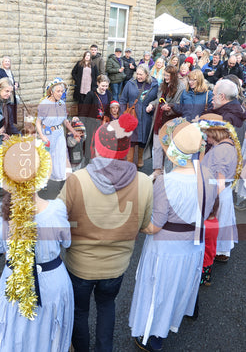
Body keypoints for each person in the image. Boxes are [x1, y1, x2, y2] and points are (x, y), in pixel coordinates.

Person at [59, 114, 153, 352]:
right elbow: (144, 225)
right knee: (107, 305)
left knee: (79, 311)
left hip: (80, 264)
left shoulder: (77, 180)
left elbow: (59, 221)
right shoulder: (143, 182)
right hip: (116, 266)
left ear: (97, 147)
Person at [0, 138, 74, 352]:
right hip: (52, 282)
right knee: (50, 334)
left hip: (14, 280)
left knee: (15, 334)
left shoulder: (0, 210)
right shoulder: (56, 208)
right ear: (39, 174)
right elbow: (66, 241)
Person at [130, 119, 217, 352]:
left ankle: (152, 337)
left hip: (165, 249)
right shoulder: (209, 176)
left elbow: (155, 226)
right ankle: (184, 312)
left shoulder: (166, 182)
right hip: (193, 244)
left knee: (158, 291)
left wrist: (137, 223)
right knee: (181, 284)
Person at [198, 114, 241, 264]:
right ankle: (221, 251)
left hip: (218, 194)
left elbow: (219, 182)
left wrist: (209, 202)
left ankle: (216, 253)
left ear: (214, 133)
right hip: (223, 193)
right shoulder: (226, 145)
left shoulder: (221, 151)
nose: (206, 138)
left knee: (218, 223)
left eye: (207, 134)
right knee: (223, 223)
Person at [36, 78, 81, 183]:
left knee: (61, 156)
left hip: (59, 133)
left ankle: (60, 179)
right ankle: (47, 180)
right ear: (52, 91)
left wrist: (74, 132)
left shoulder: (62, 104)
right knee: (49, 157)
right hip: (48, 133)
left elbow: (65, 121)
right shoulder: (44, 104)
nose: (61, 93)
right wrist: (42, 136)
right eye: (58, 91)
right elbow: (38, 122)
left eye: (62, 91)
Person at [146, 65, 186, 173]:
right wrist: (152, 104)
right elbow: (158, 100)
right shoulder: (163, 85)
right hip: (158, 119)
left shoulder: (181, 87)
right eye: (164, 75)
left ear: (173, 76)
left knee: (168, 148)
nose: (165, 77)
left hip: (170, 122)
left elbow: (179, 105)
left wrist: (170, 107)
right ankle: (157, 170)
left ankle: (167, 171)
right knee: (157, 147)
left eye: (167, 75)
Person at [119, 64, 159, 168]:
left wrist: (152, 104)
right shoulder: (130, 83)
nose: (138, 76)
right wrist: (123, 116)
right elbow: (123, 100)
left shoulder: (154, 84)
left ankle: (140, 158)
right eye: (137, 74)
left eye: (141, 74)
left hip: (146, 115)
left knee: (143, 139)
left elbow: (158, 98)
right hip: (132, 115)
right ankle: (130, 161)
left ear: (147, 74)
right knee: (131, 139)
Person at [79, 75, 113, 166]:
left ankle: (99, 161)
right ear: (98, 83)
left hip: (103, 123)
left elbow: (109, 110)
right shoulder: (91, 94)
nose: (104, 88)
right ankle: (87, 162)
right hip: (91, 122)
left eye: (106, 86)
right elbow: (84, 110)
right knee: (89, 142)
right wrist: (82, 124)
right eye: (102, 86)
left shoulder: (109, 94)